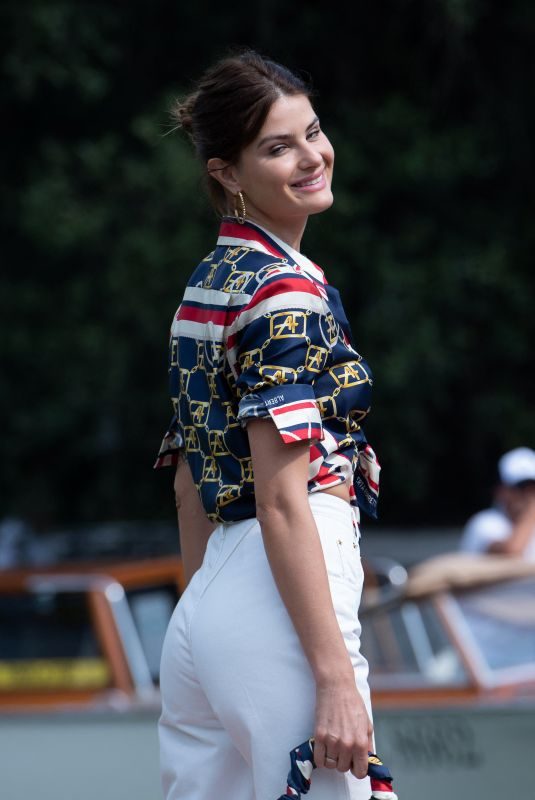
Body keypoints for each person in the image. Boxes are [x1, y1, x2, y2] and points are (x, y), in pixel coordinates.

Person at [154, 49, 382, 800]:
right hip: (279, 594)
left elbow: (192, 473)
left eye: (311, 132)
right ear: (226, 171)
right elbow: (284, 500)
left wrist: (201, 620)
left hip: (212, 598)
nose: (312, 156)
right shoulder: (281, 294)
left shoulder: (208, 283)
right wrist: (334, 678)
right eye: (277, 147)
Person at [460, 447, 535, 560]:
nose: (528, 494)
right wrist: (531, 514)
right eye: (521, 487)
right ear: (501, 490)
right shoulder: (485, 523)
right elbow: (511, 551)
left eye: (533, 487)